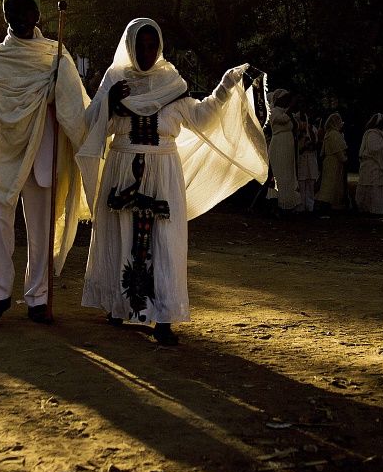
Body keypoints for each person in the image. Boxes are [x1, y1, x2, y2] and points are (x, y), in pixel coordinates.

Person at [77, 18, 264, 345]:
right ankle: (120, 305)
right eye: (140, 46)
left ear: (159, 47)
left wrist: (228, 85)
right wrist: (109, 104)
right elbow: (92, 127)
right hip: (121, 168)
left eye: (152, 46)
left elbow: (203, 117)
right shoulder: (115, 80)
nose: (147, 53)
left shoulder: (172, 84)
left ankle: (163, 317)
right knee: (119, 235)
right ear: (130, 47)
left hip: (163, 172)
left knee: (164, 242)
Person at [0, 0, 91, 324]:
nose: (20, 16)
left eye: (27, 10)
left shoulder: (55, 55)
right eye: (13, 10)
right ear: (6, 15)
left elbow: (74, 108)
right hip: (6, 157)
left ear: (38, 15)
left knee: (41, 231)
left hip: (43, 156)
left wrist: (58, 88)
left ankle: (38, 298)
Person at [266, 89, 301, 215]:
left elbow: (297, 125)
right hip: (279, 145)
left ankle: (288, 204)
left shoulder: (287, 113)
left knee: (288, 174)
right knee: (279, 174)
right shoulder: (274, 112)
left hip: (287, 146)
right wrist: (292, 105)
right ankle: (277, 204)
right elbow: (283, 119)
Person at [356, 113, 383, 215]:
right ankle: (369, 209)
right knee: (372, 186)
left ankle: (380, 208)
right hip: (372, 165)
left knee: (379, 187)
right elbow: (374, 149)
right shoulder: (371, 133)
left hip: (380, 166)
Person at [316, 113, 349, 212]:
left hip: (330, 162)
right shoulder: (335, 134)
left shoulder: (329, 133)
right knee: (330, 186)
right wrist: (344, 160)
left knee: (330, 185)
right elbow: (338, 150)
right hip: (334, 162)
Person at [294, 107, 319, 212]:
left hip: (310, 158)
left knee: (310, 183)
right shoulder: (296, 131)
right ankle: (300, 206)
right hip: (301, 158)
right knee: (301, 182)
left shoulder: (313, 129)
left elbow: (316, 143)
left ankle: (309, 206)